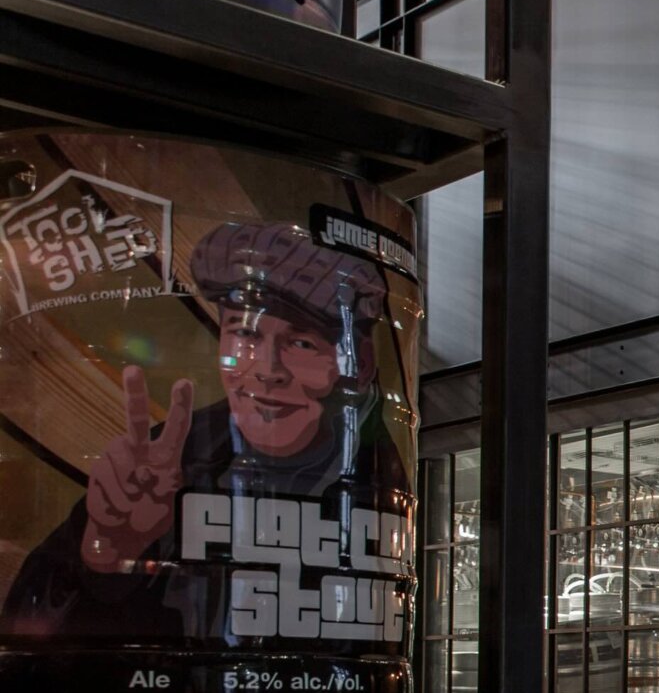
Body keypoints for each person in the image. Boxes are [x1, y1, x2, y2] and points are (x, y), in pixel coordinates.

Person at [1, 221, 409, 645]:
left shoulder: (379, 474)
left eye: (302, 343)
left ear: (359, 364)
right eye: (245, 333)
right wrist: (106, 554)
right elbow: (26, 636)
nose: (267, 370)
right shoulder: (163, 459)